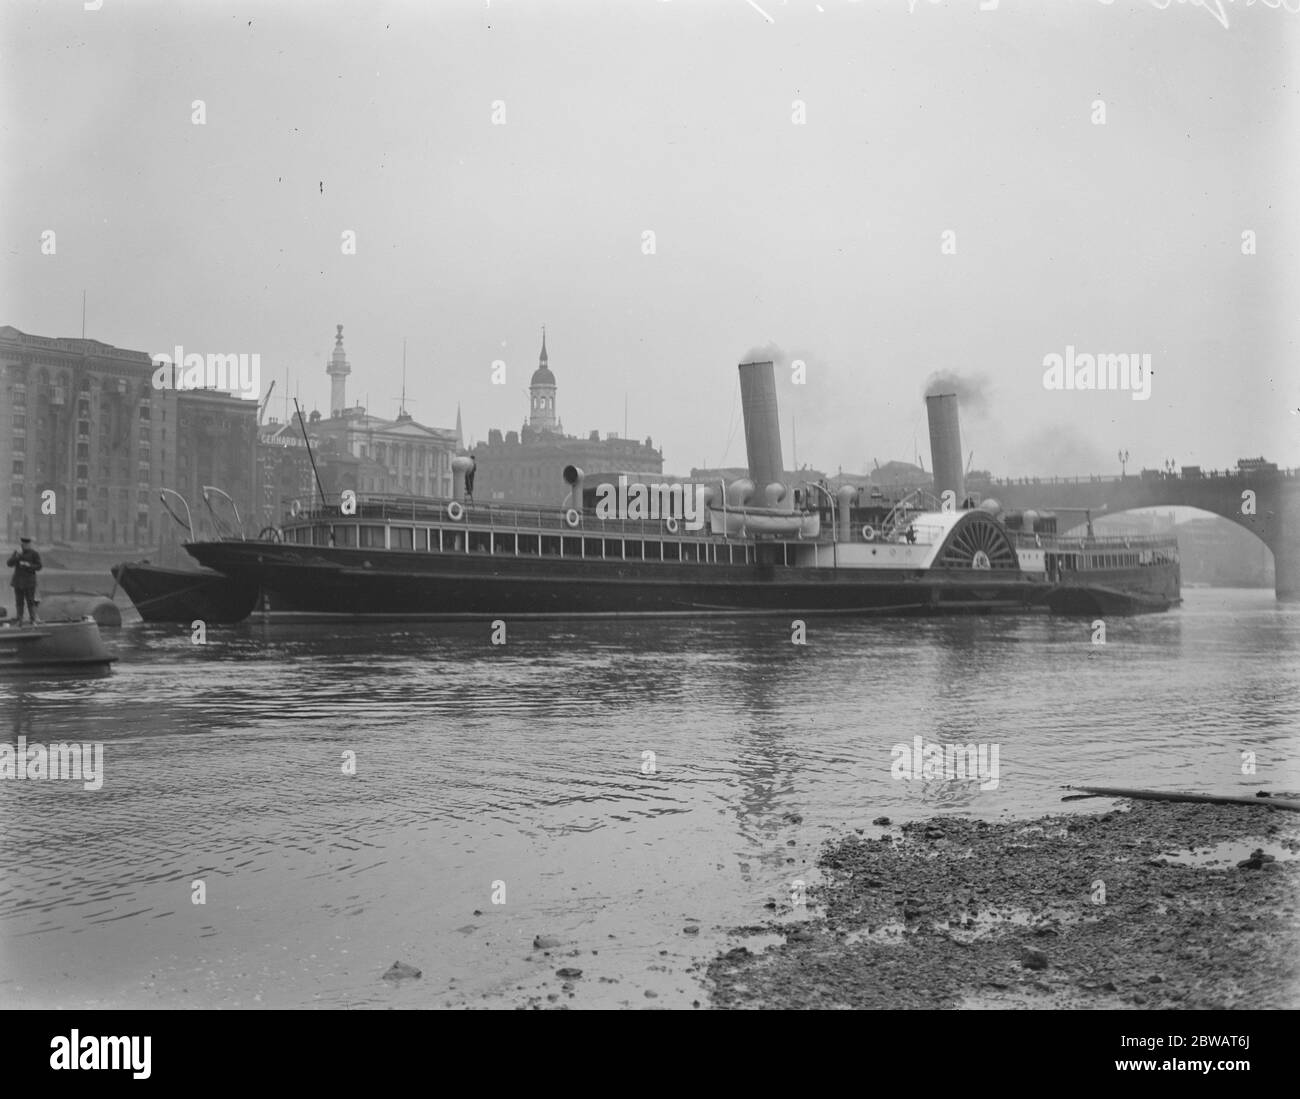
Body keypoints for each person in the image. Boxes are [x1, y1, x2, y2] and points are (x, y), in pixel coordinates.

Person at [7, 536, 42, 626]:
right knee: (19, 602)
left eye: (27, 544)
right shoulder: (17, 553)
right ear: (21, 544)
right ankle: (20, 619)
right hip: (18, 582)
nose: (25, 546)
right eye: (24, 544)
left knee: (30, 601)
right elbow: (9, 563)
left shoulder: (34, 553)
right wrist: (17, 556)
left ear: (30, 544)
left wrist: (28, 565)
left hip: (29, 582)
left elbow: (39, 566)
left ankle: (33, 620)